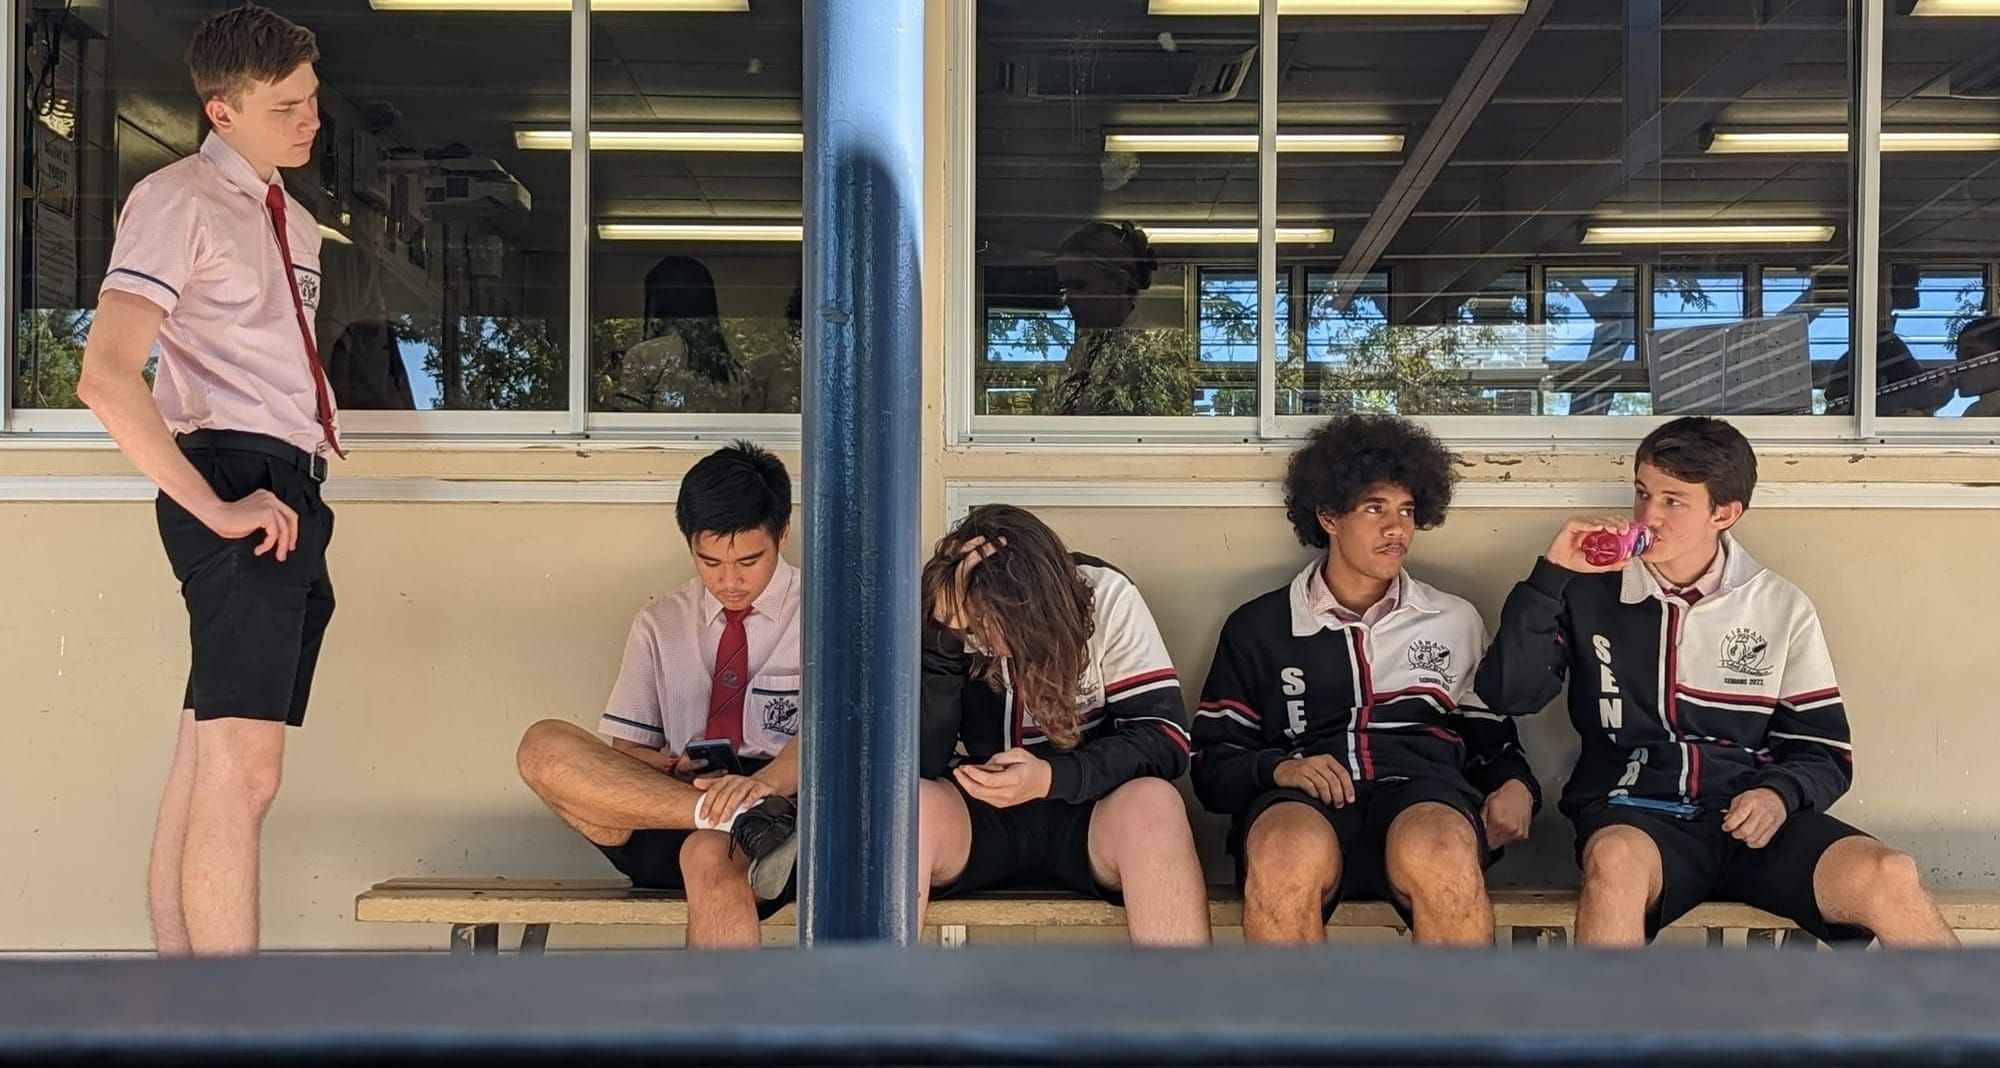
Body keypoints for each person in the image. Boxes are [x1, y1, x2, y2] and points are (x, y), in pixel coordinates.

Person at [1475, 416, 1959, 947]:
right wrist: (1551, 576)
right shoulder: (1588, 591)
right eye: (1642, 494)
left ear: (1724, 513)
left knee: (1889, 873)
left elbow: (1823, 751)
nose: (1648, 515)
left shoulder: (1778, 605)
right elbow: (1509, 695)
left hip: (1751, 825)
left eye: (1673, 501)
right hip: (1636, 820)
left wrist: (1778, 795)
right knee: (1613, 860)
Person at [77, 4, 337, 956]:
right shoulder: (177, 198)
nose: (311, 119)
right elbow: (106, 375)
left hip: (288, 486)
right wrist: (217, 506)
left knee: (204, 758)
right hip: (236, 476)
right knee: (245, 772)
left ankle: (181, 1006)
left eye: (313, 98)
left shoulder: (295, 220)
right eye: (286, 106)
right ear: (222, 112)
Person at [1192, 415, 1539, 946]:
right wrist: (1282, 769)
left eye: (1406, 510)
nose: (1397, 529)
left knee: (1442, 849)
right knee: (1285, 854)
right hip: (1303, 806)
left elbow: (1490, 735)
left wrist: (1517, 786)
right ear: (1329, 515)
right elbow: (1213, 768)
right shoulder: (1259, 627)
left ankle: (1463, 1029)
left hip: (1423, 795)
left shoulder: (1454, 618)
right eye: (1375, 509)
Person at [515, 443, 801, 949]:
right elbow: (626, 754)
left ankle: (718, 1029)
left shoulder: (825, 611)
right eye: (708, 561)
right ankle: (733, 819)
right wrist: (673, 770)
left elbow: (840, 736)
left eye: (749, 562)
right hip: (676, 807)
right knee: (542, 745)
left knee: (711, 856)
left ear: (783, 533)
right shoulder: (661, 621)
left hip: (786, 820)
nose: (728, 582)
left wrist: (763, 788)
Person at [918, 505, 1209, 945]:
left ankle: (1181, 1011)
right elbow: (917, 760)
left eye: (998, 621)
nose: (988, 639)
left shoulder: (1103, 592)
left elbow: (1165, 740)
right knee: (905, 809)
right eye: (977, 623)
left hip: (1088, 808)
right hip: (975, 811)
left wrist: (1054, 777)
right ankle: (872, 1008)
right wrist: (943, 637)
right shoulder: (944, 611)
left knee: (1156, 805)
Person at [1043, 221, 1198, 416]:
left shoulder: (1155, 355)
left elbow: (1165, 438)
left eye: (1079, 286)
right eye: (1065, 289)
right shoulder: (1084, 350)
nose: (1069, 300)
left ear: (1119, 282)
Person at [1953, 316, 2000, 418]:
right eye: (1959, 359)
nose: (1958, 369)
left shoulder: (1980, 414)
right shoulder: (1976, 412)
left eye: (1972, 356)